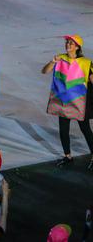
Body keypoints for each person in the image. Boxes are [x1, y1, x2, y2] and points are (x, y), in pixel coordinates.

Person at [42, 35, 93, 170]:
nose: (68, 45)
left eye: (71, 43)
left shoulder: (85, 63)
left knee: (85, 129)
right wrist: (53, 61)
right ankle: (67, 156)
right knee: (63, 130)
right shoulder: (61, 59)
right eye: (67, 42)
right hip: (63, 101)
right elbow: (44, 71)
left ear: (77, 47)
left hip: (79, 102)